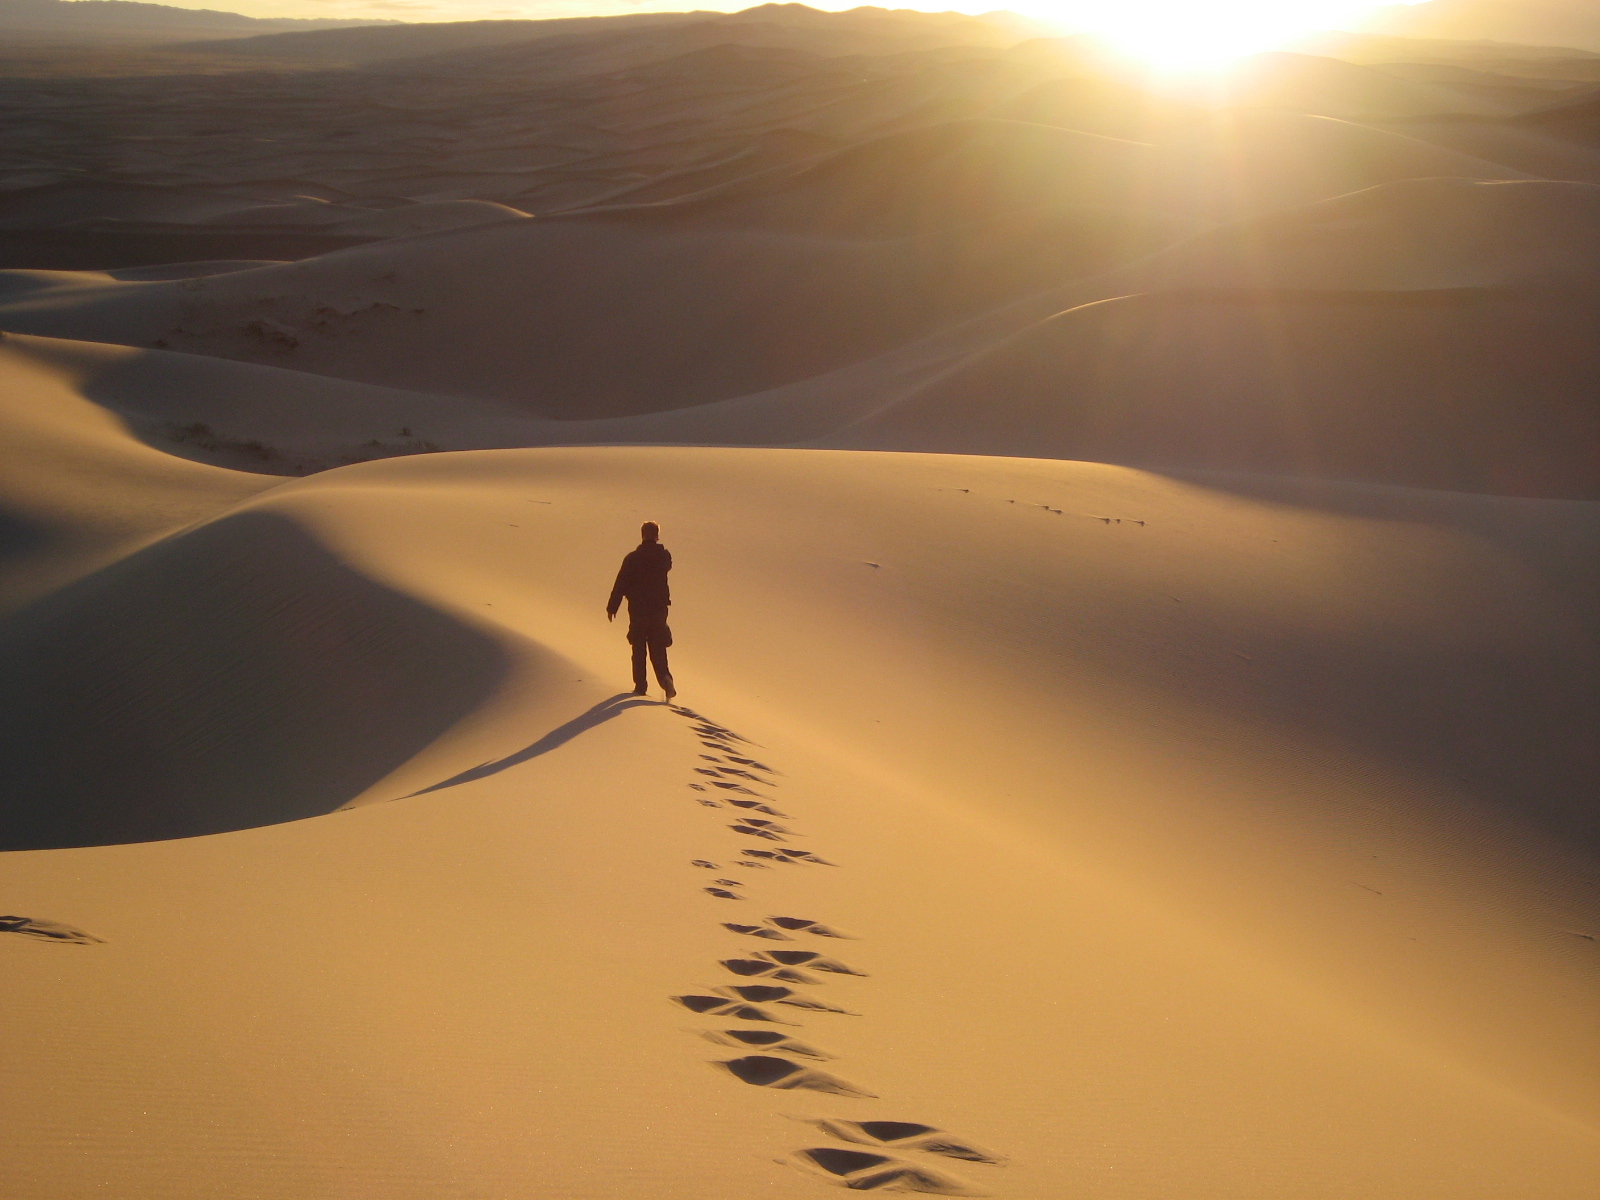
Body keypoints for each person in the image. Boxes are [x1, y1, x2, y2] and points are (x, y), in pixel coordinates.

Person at [607, 521, 676, 700]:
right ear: (657, 536)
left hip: (638, 610)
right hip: (659, 610)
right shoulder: (664, 557)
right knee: (658, 647)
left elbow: (621, 583)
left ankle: (640, 687)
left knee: (638, 648)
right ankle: (666, 679)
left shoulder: (633, 558)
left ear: (642, 535)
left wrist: (612, 606)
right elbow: (667, 565)